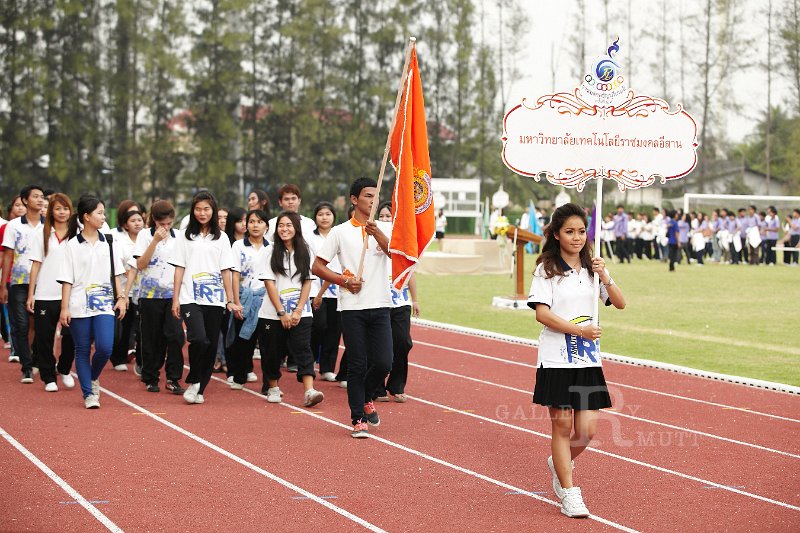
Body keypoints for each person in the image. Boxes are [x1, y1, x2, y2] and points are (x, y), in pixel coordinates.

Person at [526, 202, 625, 518]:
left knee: (587, 430)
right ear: (556, 234)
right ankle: (569, 492)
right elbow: (542, 314)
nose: (577, 237)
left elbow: (620, 303)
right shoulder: (547, 269)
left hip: (587, 361)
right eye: (569, 231)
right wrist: (578, 331)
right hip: (557, 358)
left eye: (581, 231)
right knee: (563, 424)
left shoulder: (593, 271)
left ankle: (559, 461)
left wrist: (605, 275)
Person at [312, 177, 393, 438]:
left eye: (376, 196)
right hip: (352, 308)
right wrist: (343, 280)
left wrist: (377, 233)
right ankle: (358, 417)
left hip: (380, 303)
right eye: (368, 196)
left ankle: (367, 396)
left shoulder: (385, 228)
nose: (373, 200)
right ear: (355, 200)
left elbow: (397, 255)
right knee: (357, 363)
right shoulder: (340, 232)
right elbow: (318, 266)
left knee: (383, 362)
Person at [170, 191, 240, 405]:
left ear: (213, 211)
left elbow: (226, 270)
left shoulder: (222, 238)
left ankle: (200, 386)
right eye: (198, 209)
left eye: (206, 209)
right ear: (193, 211)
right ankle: (193, 379)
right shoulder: (185, 236)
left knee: (210, 344)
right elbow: (179, 268)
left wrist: (230, 299)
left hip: (215, 299)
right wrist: (175, 299)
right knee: (198, 338)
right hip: (190, 296)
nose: (202, 213)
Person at [58, 195, 128, 409]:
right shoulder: (71, 246)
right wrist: (64, 308)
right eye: (99, 212)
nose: (103, 216)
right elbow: (67, 280)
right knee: (81, 349)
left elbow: (116, 274)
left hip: (104, 303)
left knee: (105, 347)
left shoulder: (108, 242)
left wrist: (122, 298)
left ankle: (92, 378)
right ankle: (89, 394)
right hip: (79, 304)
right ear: (86, 217)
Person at [258, 211, 323, 407]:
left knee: (303, 349)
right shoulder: (269, 252)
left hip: (300, 313)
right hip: (272, 314)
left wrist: (298, 310)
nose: (284, 229)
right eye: (281, 225)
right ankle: (273, 387)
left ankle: (309, 391)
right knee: (271, 352)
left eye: (288, 225)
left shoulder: (306, 251)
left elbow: (307, 282)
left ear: (296, 228)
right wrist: (281, 312)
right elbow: (269, 283)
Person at [131, 200, 186, 394]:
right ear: (154, 220)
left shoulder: (179, 236)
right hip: (149, 295)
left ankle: (173, 377)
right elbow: (140, 264)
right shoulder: (144, 236)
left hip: (173, 295)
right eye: (162, 223)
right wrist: (154, 241)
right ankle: (151, 376)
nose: (165, 227)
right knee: (151, 338)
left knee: (176, 336)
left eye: (169, 223)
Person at [26, 193, 76, 392]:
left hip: (70, 295)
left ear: (70, 211)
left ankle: (64, 368)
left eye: (65, 208)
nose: (62, 212)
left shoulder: (77, 233)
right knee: (44, 338)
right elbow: (36, 266)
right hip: (46, 294)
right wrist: (32, 294)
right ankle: (49, 377)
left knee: (71, 336)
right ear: (50, 211)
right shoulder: (42, 233)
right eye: (57, 208)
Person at [374, 202, 420, 403]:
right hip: (378, 301)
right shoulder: (370, 237)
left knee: (403, 342)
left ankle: (397, 385)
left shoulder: (401, 240)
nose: (385, 219)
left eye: (388, 216)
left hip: (400, 301)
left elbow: (410, 271)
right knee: (379, 346)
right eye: (382, 216)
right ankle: (376, 386)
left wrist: (415, 299)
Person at [0, 185, 46, 383]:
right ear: (25, 201)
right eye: (35, 196)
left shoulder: (49, 226)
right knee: (21, 324)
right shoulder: (14, 226)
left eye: (42, 197)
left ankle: (36, 359)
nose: (40, 200)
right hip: (18, 282)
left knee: (39, 325)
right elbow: (8, 255)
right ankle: (27, 367)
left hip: (44, 283)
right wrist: (3, 285)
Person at [227, 209, 269, 390]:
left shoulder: (272, 247)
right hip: (245, 297)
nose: (255, 225)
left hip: (266, 299)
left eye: (259, 222)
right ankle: (239, 376)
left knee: (268, 343)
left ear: (266, 226)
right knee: (243, 340)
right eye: (251, 221)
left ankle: (269, 383)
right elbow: (234, 275)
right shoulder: (238, 246)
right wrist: (236, 302)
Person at [309, 201, 341, 382]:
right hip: (315, 289)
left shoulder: (338, 235)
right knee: (318, 326)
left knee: (334, 330)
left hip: (337, 289)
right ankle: (310, 359)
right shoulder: (309, 238)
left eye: (328, 214)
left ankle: (327, 367)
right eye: (320, 214)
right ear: (315, 217)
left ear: (333, 216)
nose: (324, 217)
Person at [111, 207, 145, 372]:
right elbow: (117, 263)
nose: (137, 223)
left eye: (139, 220)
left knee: (140, 328)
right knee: (124, 327)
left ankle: (141, 359)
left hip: (143, 290)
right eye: (133, 221)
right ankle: (118, 357)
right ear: (125, 224)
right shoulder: (120, 241)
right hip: (125, 289)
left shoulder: (147, 238)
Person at [0, 195, 27, 360]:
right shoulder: (6, 228)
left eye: (22, 205)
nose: (20, 208)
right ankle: (15, 350)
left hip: (33, 279)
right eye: (16, 205)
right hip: (12, 278)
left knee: (28, 320)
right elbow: (4, 256)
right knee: (16, 318)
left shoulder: (41, 227)